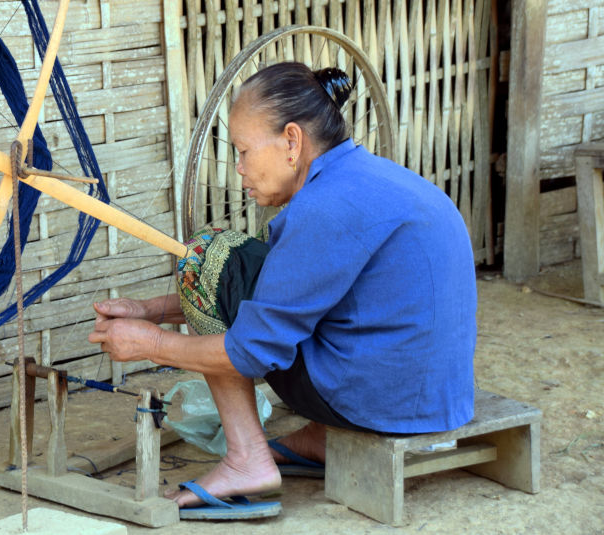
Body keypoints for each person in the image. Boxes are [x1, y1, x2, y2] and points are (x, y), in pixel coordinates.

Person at [87, 62, 477, 511]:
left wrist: (151, 344)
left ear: (292, 141)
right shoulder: (371, 178)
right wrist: (151, 311)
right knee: (229, 269)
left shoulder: (323, 208)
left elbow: (252, 351)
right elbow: (290, 296)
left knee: (207, 257)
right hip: (435, 396)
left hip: (380, 402)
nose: (239, 169)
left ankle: (246, 459)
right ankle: (320, 438)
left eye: (244, 151)